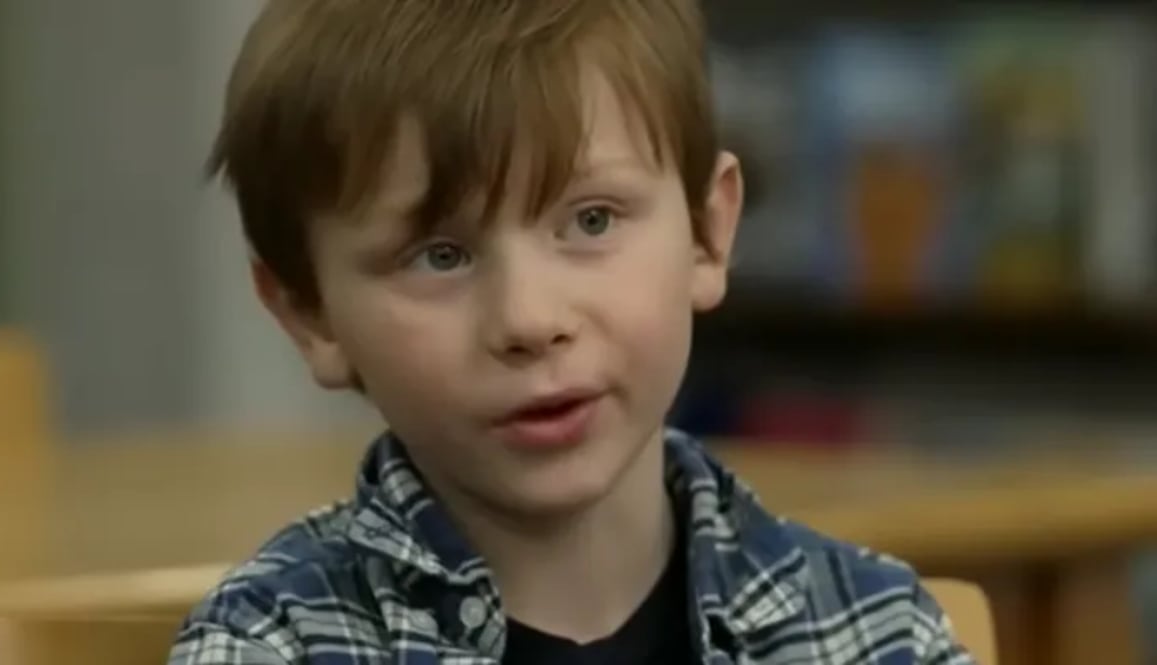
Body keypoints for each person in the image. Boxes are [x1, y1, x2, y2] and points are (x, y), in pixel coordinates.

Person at [169, 1, 973, 663]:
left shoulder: (875, 635)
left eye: (591, 219)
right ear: (308, 313)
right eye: (440, 255)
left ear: (705, 231)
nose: (530, 319)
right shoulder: (268, 647)